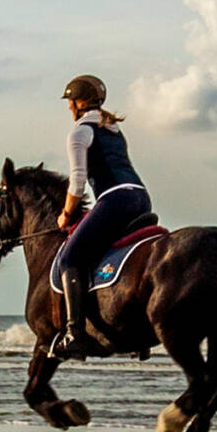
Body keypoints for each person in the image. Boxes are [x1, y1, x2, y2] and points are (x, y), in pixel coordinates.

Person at [53, 76, 154, 359]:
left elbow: (77, 181)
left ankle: (74, 333)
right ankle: (140, 330)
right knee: (123, 256)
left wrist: (65, 214)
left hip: (116, 200)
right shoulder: (113, 127)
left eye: (69, 103)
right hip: (141, 197)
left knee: (69, 259)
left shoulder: (79, 132)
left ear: (76, 103)